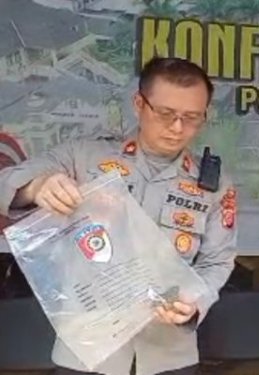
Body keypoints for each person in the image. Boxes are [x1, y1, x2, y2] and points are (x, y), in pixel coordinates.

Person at [0, 57, 237, 375]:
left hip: (168, 355)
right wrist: (36, 187)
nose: (177, 127)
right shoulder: (84, 156)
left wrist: (194, 302)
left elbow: (217, 261)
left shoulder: (213, 185)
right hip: (88, 353)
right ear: (139, 103)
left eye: (191, 117)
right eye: (166, 113)